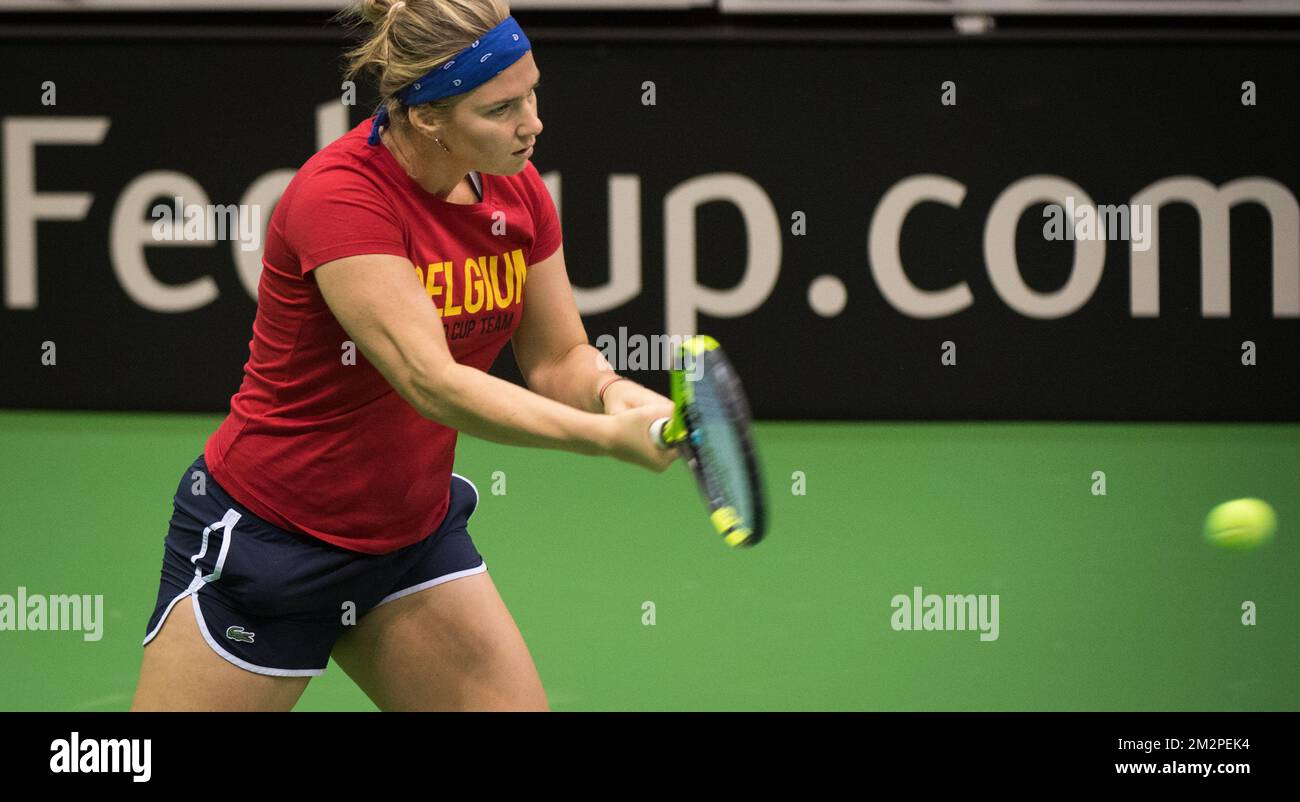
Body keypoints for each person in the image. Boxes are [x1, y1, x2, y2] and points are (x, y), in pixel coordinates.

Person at [130, 0, 677, 712]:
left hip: (409, 544)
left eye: (533, 91)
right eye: (502, 107)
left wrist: (610, 391)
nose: (533, 121)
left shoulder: (516, 187)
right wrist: (604, 440)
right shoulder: (341, 199)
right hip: (272, 542)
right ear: (426, 116)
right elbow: (432, 382)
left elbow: (559, 356)